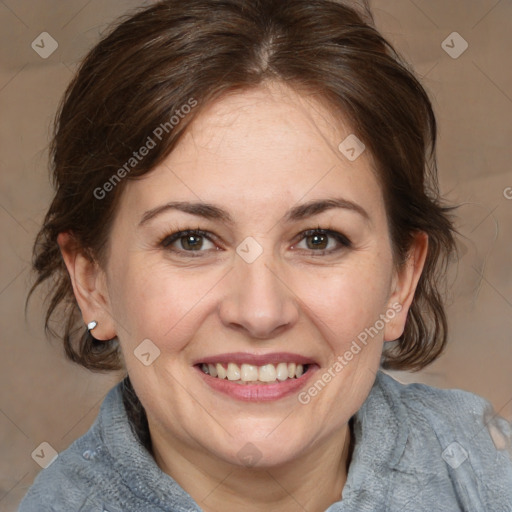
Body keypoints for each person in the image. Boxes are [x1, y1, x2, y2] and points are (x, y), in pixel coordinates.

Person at [19, 0, 512, 511]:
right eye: (192, 240)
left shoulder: (491, 467)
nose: (260, 312)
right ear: (92, 283)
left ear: (401, 280)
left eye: (319, 239)